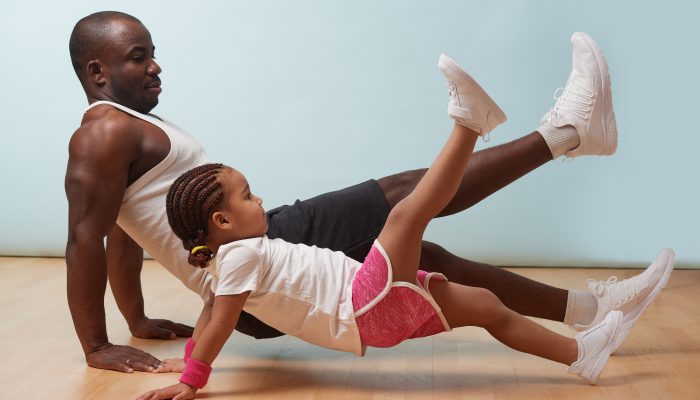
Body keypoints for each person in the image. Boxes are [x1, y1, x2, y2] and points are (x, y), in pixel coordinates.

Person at [65, 10, 674, 374]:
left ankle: (588, 313)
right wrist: (97, 344)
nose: (155, 67)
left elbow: (121, 232)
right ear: (97, 72)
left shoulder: (124, 128)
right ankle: (566, 133)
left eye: (153, 55)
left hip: (253, 272)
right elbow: (84, 241)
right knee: (403, 198)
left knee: (426, 265)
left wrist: (137, 318)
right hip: (259, 259)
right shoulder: (104, 132)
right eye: (138, 57)